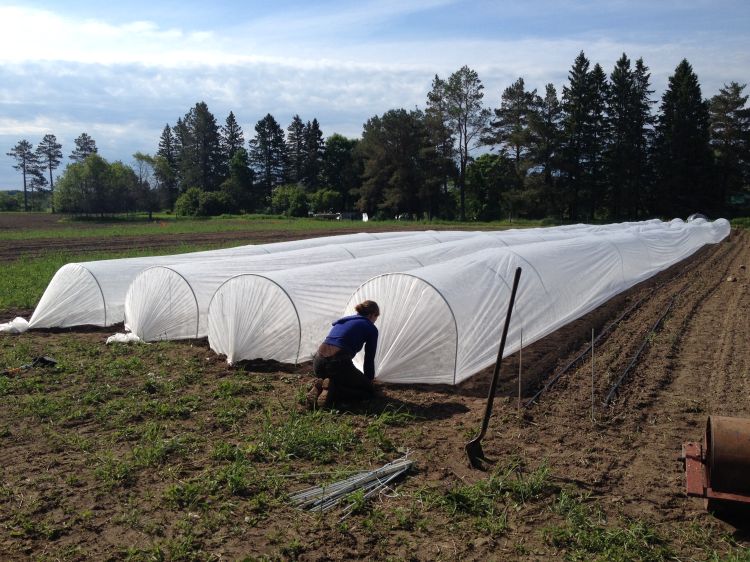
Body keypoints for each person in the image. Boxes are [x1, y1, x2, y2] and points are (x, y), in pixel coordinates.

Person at [307, 300, 380, 408]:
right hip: (337, 364)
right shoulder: (370, 328)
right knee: (368, 391)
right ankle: (334, 391)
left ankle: (321, 386)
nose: (375, 321)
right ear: (372, 314)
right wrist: (369, 381)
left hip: (318, 363)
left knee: (338, 377)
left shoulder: (343, 321)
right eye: (376, 317)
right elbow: (369, 357)